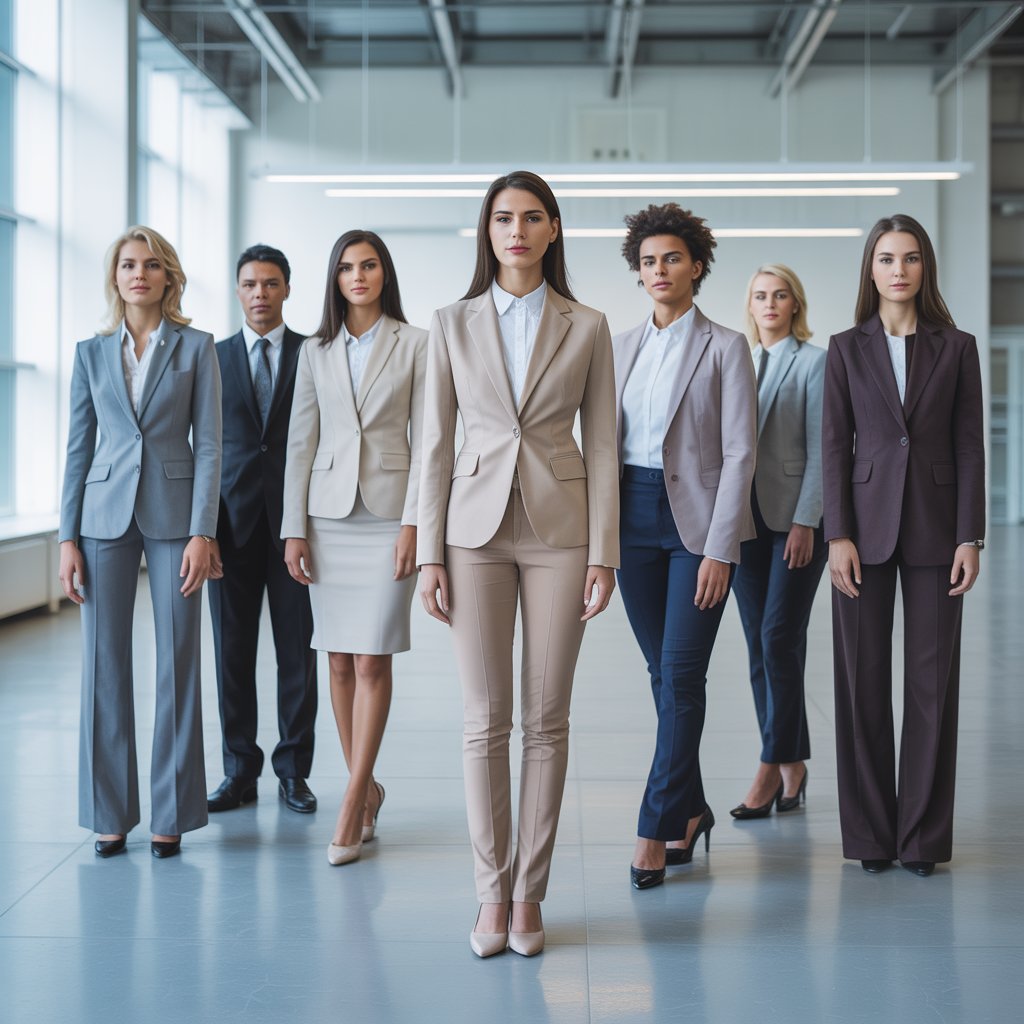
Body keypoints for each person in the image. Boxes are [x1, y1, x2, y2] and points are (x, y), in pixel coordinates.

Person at [417, 171, 618, 957]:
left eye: (533, 217)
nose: (518, 230)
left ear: (554, 230)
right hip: (472, 531)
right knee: (482, 721)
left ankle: (529, 894)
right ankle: (487, 894)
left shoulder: (589, 324)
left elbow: (601, 444)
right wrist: (428, 551)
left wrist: (606, 552)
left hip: (561, 531)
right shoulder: (451, 322)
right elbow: (434, 445)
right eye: (504, 217)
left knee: (546, 719)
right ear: (487, 230)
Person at [823, 214, 984, 877]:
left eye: (911, 258)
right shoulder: (844, 347)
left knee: (931, 687)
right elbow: (834, 446)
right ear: (871, 268)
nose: (899, 269)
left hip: (937, 529)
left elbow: (970, 445)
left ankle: (921, 840)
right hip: (861, 529)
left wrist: (969, 534)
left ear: (925, 269)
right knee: (860, 686)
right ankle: (870, 837)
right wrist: (837, 533)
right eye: (887, 257)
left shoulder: (958, 346)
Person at [58, 225, 222, 859]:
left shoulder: (196, 346)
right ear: (116, 276)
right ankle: (108, 812)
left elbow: (209, 444)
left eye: (151, 265)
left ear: (167, 277)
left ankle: (172, 813)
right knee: (103, 665)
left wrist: (204, 531)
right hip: (101, 518)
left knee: (178, 663)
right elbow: (78, 450)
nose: (139, 274)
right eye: (128, 264)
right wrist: (67, 536)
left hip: (174, 516)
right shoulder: (91, 353)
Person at [612, 203, 756, 890]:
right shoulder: (617, 347)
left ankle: (657, 823)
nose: (659, 270)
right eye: (647, 261)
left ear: (697, 265)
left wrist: (721, 549)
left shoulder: (726, 346)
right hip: (631, 523)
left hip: (697, 529)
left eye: (671, 258)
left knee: (681, 675)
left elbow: (739, 454)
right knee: (661, 678)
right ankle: (693, 808)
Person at [282, 230, 426, 866]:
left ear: (383, 273)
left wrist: (416, 525)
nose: (358, 276)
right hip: (328, 518)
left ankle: (350, 798)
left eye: (368, 266)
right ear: (335, 279)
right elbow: (300, 442)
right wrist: (294, 527)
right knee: (336, 661)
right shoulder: (316, 350)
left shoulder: (418, 343)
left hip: (391, 516)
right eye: (346, 267)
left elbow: (430, 443)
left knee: (372, 661)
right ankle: (368, 789)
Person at [206, 244, 318, 816]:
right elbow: (201, 447)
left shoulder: (314, 353)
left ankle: (294, 772)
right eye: (249, 284)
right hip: (229, 529)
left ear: (287, 289)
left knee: (298, 653)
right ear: (237, 290)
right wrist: (202, 530)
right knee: (232, 654)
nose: (259, 294)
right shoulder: (213, 357)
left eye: (270, 284)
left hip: (297, 525)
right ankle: (238, 770)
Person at [730, 264, 827, 819]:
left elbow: (822, 447)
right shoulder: (738, 362)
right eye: (760, 295)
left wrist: (806, 521)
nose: (769, 303)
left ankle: (770, 766)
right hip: (744, 524)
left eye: (780, 294)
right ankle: (793, 766)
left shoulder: (815, 362)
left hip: (793, 521)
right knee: (758, 647)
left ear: (795, 303)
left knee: (777, 636)